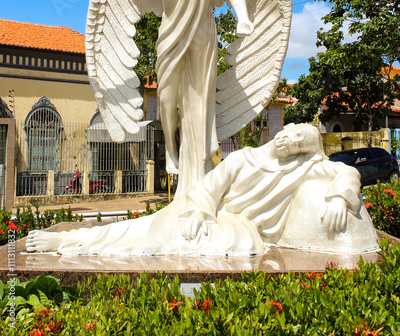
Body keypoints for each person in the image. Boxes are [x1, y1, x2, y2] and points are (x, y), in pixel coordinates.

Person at [43, 0, 253, 198]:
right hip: (171, 32)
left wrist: (242, 17)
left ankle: (206, 143)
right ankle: (171, 150)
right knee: (167, 96)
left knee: (201, 93)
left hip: (204, 31)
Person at [27, 124, 378, 256]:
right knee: (147, 229)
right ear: (282, 129)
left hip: (239, 229)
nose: (293, 138)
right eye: (295, 130)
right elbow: (207, 190)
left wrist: (338, 195)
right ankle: (71, 241)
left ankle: (75, 243)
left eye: (302, 140)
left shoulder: (304, 166)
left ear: (304, 150)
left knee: (212, 243)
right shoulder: (242, 158)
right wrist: (197, 210)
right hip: (210, 216)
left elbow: (346, 172)